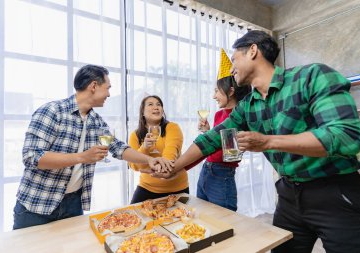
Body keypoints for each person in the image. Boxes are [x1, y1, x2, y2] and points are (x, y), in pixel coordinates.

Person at [153, 30, 360, 253]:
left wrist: (269, 142)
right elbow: (212, 138)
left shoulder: (312, 77)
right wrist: (176, 167)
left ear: (253, 50)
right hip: (288, 195)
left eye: (234, 59)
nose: (232, 68)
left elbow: (346, 136)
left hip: (335, 193)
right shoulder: (247, 105)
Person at [13, 65, 171, 229]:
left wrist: (150, 160)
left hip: (73, 203)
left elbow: (119, 148)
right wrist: (82, 157)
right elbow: (31, 157)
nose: (109, 94)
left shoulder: (96, 121)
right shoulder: (52, 111)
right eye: (107, 88)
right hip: (36, 205)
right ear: (94, 86)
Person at [196, 49, 251, 211]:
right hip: (207, 169)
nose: (213, 96)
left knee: (225, 219)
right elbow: (218, 144)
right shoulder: (219, 114)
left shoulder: (239, 115)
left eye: (216, 91)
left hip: (222, 174)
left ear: (231, 91)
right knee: (203, 214)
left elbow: (230, 154)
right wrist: (208, 132)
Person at [128, 95, 189, 204]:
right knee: (133, 215)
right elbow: (134, 165)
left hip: (177, 188)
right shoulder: (135, 135)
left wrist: (151, 167)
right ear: (142, 112)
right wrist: (144, 148)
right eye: (150, 104)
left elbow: (170, 154)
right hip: (147, 188)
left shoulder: (173, 127)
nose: (156, 107)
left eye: (159, 104)